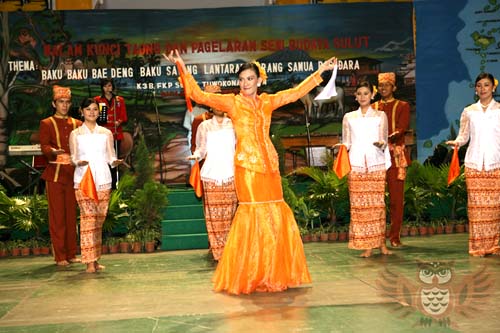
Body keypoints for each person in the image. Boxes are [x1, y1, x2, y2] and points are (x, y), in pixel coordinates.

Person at [164, 49, 337, 295]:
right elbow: (196, 94)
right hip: (247, 168)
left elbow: (295, 93)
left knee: (274, 214)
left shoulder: (267, 102)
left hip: (270, 168)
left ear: (258, 80)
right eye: (242, 79)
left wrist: (320, 72)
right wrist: (182, 66)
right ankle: (252, 274)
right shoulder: (232, 103)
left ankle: (273, 272)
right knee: (253, 215)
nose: (245, 83)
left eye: (249, 79)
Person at [446, 72, 500, 257]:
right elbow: (464, 135)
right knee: (477, 207)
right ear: (475, 90)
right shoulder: (469, 111)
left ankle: (494, 245)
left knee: (494, 207)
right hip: (474, 164)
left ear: (494, 87)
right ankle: (478, 246)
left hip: (495, 163)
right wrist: (457, 142)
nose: (482, 89)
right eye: (479, 85)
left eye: (486, 85)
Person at [69, 98, 122, 273]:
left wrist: (116, 162)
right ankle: (89, 262)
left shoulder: (106, 133)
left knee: (98, 221)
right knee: (88, 220)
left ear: (99, 113)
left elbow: (110, 157)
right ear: (81, 112)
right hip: (84, 181)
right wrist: (79, 162)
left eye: (94, 110)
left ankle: (96, 258)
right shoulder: (75, 134)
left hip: (103, 180)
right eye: (88, 109)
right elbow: (73, 158)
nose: (92, 112)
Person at [341, 81, 392, 258]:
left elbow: (384, 139)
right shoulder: (349, 117)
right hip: (355, 165)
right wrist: (340, 147)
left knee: (377, 206)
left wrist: (382, 143)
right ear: (355, 96)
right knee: (360, 207)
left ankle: (381, 244)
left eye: (366, 93)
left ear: (372, 95)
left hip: (375, 163)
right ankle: (367, 245)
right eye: (359, 94)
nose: (362, 97)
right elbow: (346, 141)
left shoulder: (380, 116)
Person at [188, 99, 237, 261]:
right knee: (213, 216)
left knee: (230, 215)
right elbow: (201, 149)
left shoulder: (234, 124)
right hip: (211, 174)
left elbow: (240, 146)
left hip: (231, 174)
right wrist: (195, 156)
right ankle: (217, 252)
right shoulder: (204, 126)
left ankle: (229, 250)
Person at [39, 85, 82, 266]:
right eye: (61, 102)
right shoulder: (46, 123)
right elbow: (44, 146)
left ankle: (71, 253)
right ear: (53, 103)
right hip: (55, 175)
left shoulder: (77, 124)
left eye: (67, 102)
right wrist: (52, 151)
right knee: (57, 217)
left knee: (71, 216)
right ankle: (60, 256)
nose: (64, 106)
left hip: (73, 175)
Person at [372, 72, 411, 248]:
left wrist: (387, 138)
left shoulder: (402, 105)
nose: (383, 88)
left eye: (387, 85)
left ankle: (394, 236)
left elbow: (402, 129)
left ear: (394, 87)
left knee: (396, 199)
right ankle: (376, 237)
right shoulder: (372, 107)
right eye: (381, 85)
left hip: (395, 156)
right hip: (376, 156)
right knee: (376, 198)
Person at [94, 78, 127, 188]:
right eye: (105, 86)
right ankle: (104, 183)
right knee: (103, 159)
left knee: (114, 159)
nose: (108, 88)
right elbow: (97, 118)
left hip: (116, 133)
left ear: (112, 87)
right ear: (102, 88)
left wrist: (119, 121)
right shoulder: (98, 100)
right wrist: (103, 120)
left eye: (109, 86)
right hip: (103, 135)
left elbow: (123, 116)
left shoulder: (119, 100)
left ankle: (114, 185)